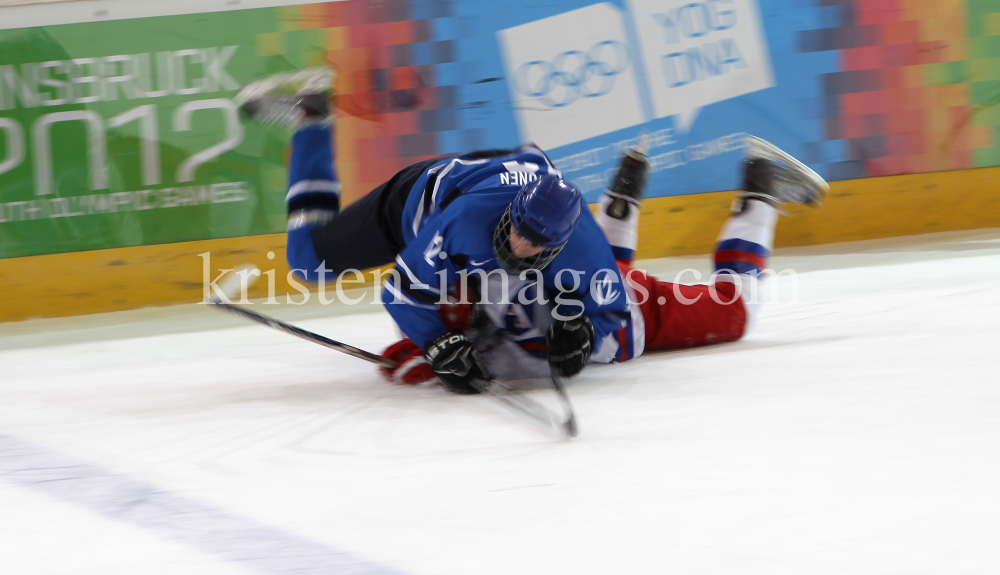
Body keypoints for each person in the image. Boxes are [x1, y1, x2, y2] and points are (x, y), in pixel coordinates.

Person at [235, 69, 828, 393]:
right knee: (309, 263)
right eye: (517, 235)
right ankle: (749, 199)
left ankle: (629, 200)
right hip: (422, 204)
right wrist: (431, 347)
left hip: (534, 204)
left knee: (603, 276)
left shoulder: (576, 254)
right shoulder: (466, 230)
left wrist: (426, 350)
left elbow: (606, 303)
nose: (519, 248)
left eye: (534, 244)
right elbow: (403, 292)